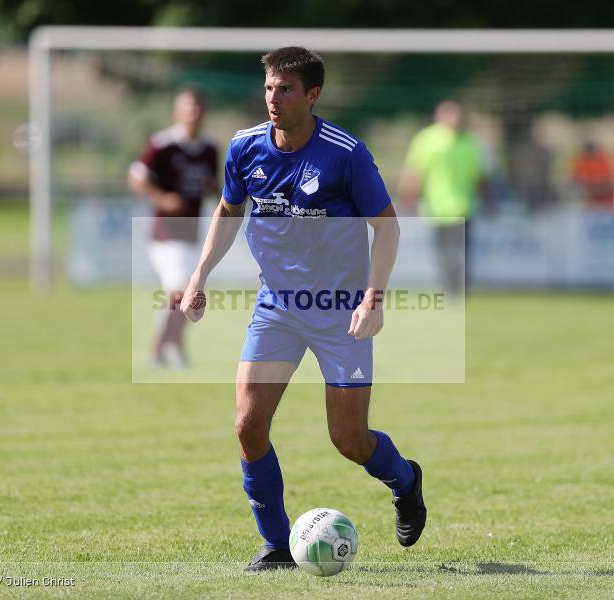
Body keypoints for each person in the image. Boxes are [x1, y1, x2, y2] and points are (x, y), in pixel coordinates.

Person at [178, 47, 426, 572]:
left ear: (312, 95)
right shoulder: (245, 148)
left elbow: (387, 226)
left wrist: (373, 299)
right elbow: (228, 209)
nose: (274, 98)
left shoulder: (345, 153)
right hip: (278, 309)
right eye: (269, 87)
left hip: (341, 313)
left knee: (349, 440)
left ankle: (405, 480)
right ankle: (274, 546)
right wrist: (199, 273)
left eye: (286, 89)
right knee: (248, 424)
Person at [127, 88, 218, 368]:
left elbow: (212, 185)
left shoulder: (209, 148)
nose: (194, 112)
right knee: (180, 290)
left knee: (187, 295)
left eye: (198, 106)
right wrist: (161, 198)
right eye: (188, 107)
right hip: (165, 234)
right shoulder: (163, 144)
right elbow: (136, 176)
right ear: (177, 111)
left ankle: (170, 348)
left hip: (192, 233)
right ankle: (160, 351)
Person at [398, 101, 483, 297]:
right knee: (445, 254)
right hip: (436, 208)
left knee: (459, 254)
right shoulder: (427, 139)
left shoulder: (467, 141)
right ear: (439, 117)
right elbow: (415, 171)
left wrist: (487, 197)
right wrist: (408, 197)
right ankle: (452, 290)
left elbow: (477, 174)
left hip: (463, 207)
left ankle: (458, 291)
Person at [570, 140, 614, 209]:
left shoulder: (603, 160)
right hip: (589, 203)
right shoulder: (582, 162)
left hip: (606, 203)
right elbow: (576, 180)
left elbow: (610, 181)